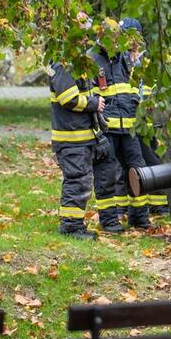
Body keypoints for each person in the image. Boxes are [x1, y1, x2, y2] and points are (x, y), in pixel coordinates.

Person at [48, 36, 123, 239]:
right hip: (71, 138)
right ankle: (71, 228)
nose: (85, 41)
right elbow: (68, 98)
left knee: (82, 181)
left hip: (82, 135)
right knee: (77, 181)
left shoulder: (77, 63)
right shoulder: (63, 64)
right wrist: (93, 103)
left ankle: (75, 225)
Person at [92, 17, 156, 229]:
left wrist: (136, 103)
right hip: (107, 128)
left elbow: (131, 89)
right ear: (100, 38)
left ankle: (139, 218)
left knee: (139, 171)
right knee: (107, 175)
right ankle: (109, 221)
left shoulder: (123, 60)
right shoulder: (90, 60)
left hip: (129, 127)